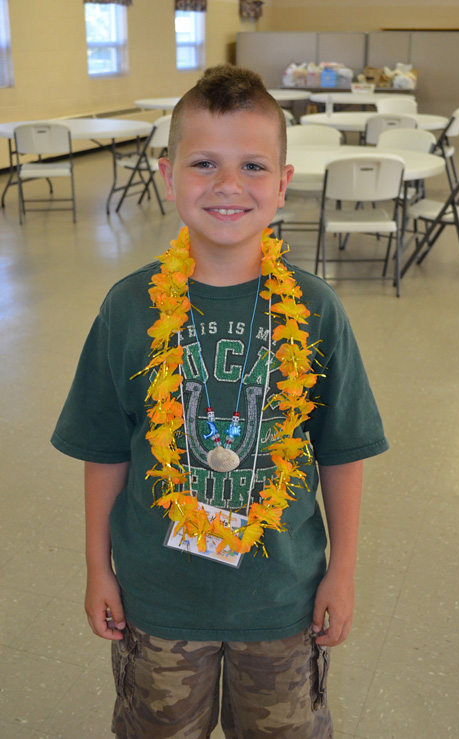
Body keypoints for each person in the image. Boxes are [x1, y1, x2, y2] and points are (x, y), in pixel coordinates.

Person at [51, 65, 388, 739]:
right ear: (169, 175)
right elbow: (106, 449)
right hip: (160, 603)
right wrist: (98, 566)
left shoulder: (316, 310)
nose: (229, 185)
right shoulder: (129, 307)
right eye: (203, 163)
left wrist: (342, 573)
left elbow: (342, 453)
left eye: (253, 166)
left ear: (283, 184)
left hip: (282, 603)